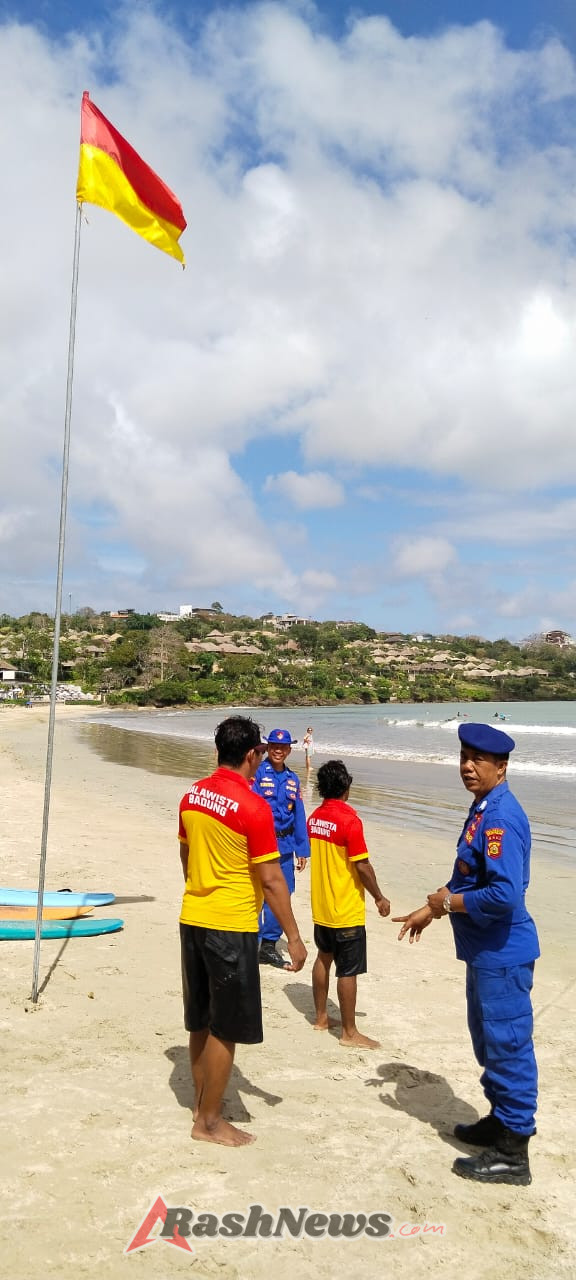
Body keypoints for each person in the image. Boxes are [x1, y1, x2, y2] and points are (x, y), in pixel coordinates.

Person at [393, 722, 539, 1186]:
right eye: (463, 757)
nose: (468, 766)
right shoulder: (483, 807)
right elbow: (467, 876)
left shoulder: (499, 817)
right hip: (484, 951)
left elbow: (503, 895)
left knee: (508, 1045)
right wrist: (430, 909)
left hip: (503, 952)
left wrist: (447, 905)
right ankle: (500, 1119)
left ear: (503, 765)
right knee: (488, 1041)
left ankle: (515, 1153)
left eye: (478, 760)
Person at [178, 715, 307, 1147]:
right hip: (230, 924)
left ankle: (201, 1105)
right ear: (252, 754)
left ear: (218, 751)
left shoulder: (191, 795)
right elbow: (272, 880)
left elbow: (186, 855)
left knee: (200, 1019)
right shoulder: (252, 806)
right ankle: (210, 1122)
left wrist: (202, 888)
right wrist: (292, 935)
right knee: (226, 1026)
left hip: (193, 916)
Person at [308, 759, 390, 1048]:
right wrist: (379, 897)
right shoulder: (349, 820)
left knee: (323, 957)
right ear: (346, 786)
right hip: (345, 909)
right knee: (348, 969)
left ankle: (320, 1018)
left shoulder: (314, 818)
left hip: (321, 906)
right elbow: (362, 866)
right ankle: (349, 1032)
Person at [252, 728, 310, 969]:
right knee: (255, 892)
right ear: (268, 748)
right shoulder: (256, 774)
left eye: (283, 747)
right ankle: (250, 941)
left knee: (282, 896)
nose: (278, 750)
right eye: (274, 746)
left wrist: (302, 849)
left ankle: (268, 945)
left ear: (288, 750)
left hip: (284, 846)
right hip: (259, 844)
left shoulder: (293, 779)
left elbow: (298, 814)